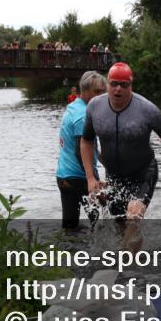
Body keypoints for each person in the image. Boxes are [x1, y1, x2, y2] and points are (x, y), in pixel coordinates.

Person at [80, 62, 161, 249]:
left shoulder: (147, 109)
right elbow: (86, 142)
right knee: (120, 226)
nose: (118, 89)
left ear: (131, 86)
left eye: (124, 85)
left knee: (133, 217)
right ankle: (132, 264)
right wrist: (90, 177)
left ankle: (123, 264)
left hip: (143, 173)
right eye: (114, 83)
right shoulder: (95, 107)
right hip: (114, 176)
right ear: (107, 84)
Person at [55, 71, 107, 229]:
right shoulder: (82, 115)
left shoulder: (74, 106)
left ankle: (69, 251)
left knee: (70, 226)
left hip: (64, 176)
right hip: (79, 178)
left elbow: (90, 148)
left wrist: (108, 164)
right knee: (100, 225)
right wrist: (94, 179)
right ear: (84, 92)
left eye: (103, 92)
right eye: (97, 92)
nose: (101, 96)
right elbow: (81, 151)